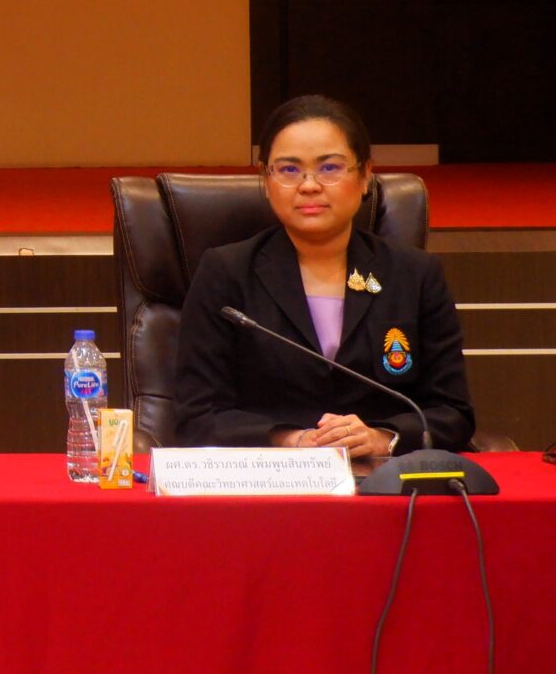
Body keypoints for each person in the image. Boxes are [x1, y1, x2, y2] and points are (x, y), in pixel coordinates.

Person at [173, 94, 475, 455]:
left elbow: (452, 412)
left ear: (365, 176)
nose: (309, 185)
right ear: (266, 180)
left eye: (330, 168)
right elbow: (197, 415)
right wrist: (291, 440)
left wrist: (383, 438)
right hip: (273, 476)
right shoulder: (226, 273)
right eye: (289, 170)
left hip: (383, 476)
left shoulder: (415, 274)